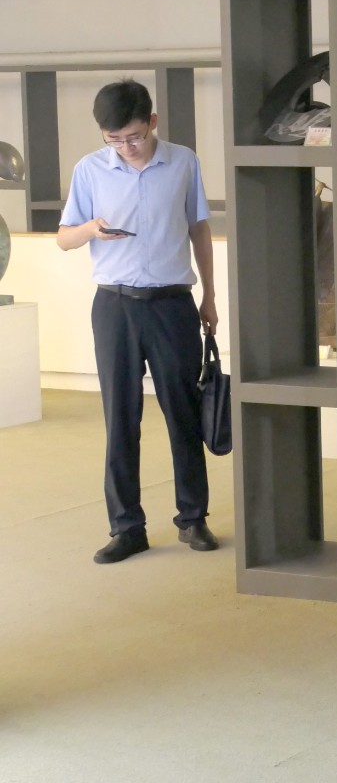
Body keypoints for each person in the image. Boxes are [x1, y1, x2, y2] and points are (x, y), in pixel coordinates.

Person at [56, 78, 218, 564]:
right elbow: (64, 238)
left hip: (173, 304)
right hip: (115, 307)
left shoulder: (183, 162)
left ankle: (193, 518)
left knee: (183, 414)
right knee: (121, 418)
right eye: (114, 139)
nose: (125, 147)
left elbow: (199, 229)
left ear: (152, 122)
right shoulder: (90, 170)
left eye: (133, 136)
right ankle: (127, 528)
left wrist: (210, 296)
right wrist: (91, 229)